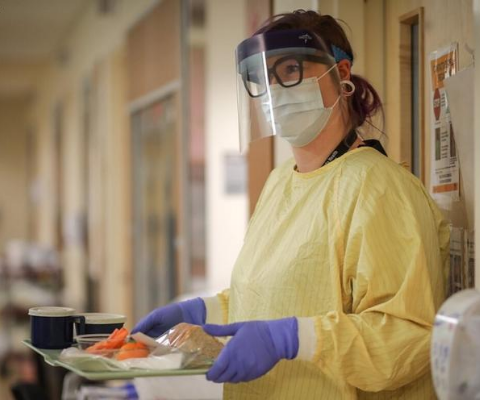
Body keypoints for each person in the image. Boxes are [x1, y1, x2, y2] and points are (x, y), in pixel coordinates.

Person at [133, 10, 449, 399]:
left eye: (290, 70)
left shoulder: (379, 188)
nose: (275, 90)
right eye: (264, 79)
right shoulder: (280, 181)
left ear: (342, 73)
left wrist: (290, 338)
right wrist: (203, 312)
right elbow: (275, 298)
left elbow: (408, 337)